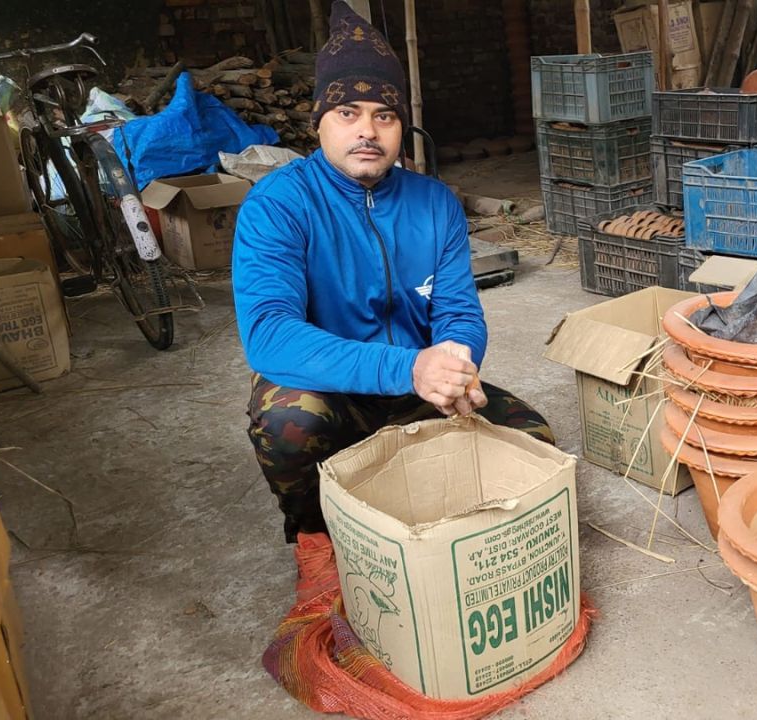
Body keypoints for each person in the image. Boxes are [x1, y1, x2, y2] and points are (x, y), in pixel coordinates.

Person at [232, 1, 552, 543]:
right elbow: (269, 336)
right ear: (319, 122)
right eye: (348, 113)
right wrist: (409, 369)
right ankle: (316, 542)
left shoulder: (435, 203)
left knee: (532, 438)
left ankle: (443, 537)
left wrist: (455, 361)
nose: (368, 131)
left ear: (402, 124)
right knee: (290, 425)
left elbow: (457, 311)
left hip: (417, 387)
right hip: (334, 387)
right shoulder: (278, 204)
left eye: (384, 115)